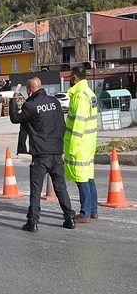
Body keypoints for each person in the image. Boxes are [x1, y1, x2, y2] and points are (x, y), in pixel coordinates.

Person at [9, 77, 75, 232]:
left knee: (36, 188)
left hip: (41, 154)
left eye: (27, 90)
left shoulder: (31, 106)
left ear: (30, 89)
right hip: (56, 152)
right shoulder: (55, 102)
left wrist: (13, 101)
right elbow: (61, 125)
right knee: (60, 187)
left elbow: (15, 118)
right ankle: (69, 218)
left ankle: (32, 222)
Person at [64, 66, 99, 223]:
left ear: (75, 78)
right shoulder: (90, 93)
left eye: (71, 77)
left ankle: (85, 213)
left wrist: (72, 147)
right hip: (89, 142)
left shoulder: (80, 96)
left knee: (81, 178)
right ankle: (93, 211)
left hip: (80, 143)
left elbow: (79, 123)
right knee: (89, 177)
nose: (70, 80)